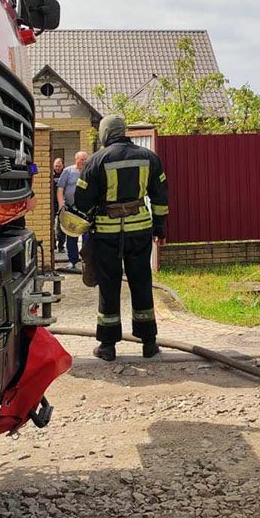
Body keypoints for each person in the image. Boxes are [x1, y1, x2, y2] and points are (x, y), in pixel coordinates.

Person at [73, 116, 168, 362]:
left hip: (107, 233)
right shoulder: (149, 158)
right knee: (141, 283)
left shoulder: (95, 161)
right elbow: (160, 197)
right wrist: (159, 229)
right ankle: (149, 343)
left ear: (105, 134)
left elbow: (82, 202)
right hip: (140, 231)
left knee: (109, 285)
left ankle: (107, 346)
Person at [55, 151, 89, 273]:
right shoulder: (68, 171)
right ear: (76, 159)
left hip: (86, 210)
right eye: (81, 159)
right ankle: (72, 261)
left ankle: (87, 262)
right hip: (70, 209)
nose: (84, 161)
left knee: (87, 237)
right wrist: (61, 205)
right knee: (71, 236)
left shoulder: (89, 172)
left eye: (85, 159)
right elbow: (60, 189)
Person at [51, 158, 65, 252]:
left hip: (62, 203)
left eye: (59, 166)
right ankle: (52, 245)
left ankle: (61, 246)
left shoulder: (65, 174)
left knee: (61, 226)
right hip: (51, 203)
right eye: (56, 166)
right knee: (50, 226)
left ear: (62, 166)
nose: (57, 168)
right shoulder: (50, 175)